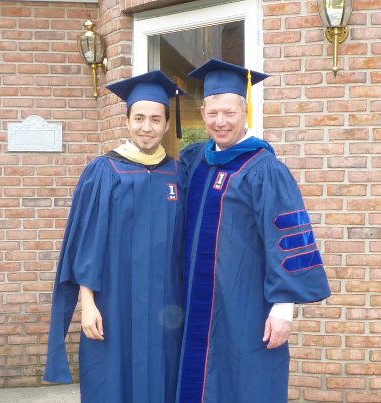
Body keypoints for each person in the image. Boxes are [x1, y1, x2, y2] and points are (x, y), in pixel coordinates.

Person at [176, 59, 331, 403]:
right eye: (213, 112)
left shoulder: (264, 169)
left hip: (247, 301)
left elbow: (289, 238)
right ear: (202, 112)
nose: (221, 122)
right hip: (197, 298)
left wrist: (283, 308)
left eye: (229, 112)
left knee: (247, 378)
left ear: (245, 112)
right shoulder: (195, 162)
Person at [43, 70, 186, 403]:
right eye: (139, 118)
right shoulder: (104, 171)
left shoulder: (179, 174)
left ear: (167, 124)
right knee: (111, 378)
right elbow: (85, 243)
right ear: (126, 120)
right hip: (113, 300)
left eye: (155, 119)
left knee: (165, 375)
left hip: (166, 302)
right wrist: (87, 302)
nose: (146, 127)